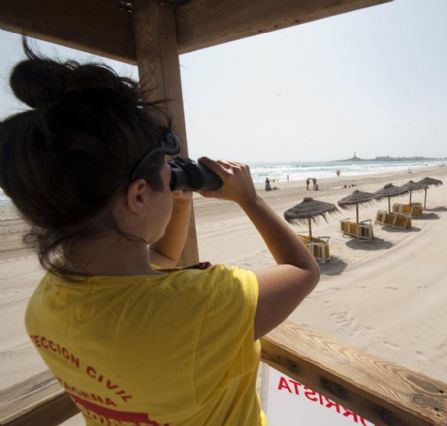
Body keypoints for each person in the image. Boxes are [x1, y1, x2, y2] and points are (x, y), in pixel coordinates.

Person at [0, 44, 320, 425]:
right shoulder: (203, 307)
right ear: (137, 195)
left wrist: (179, 201)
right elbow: (302, 270)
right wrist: (249, 198)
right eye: (167, 179)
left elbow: (160, 264)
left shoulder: (46, 304)